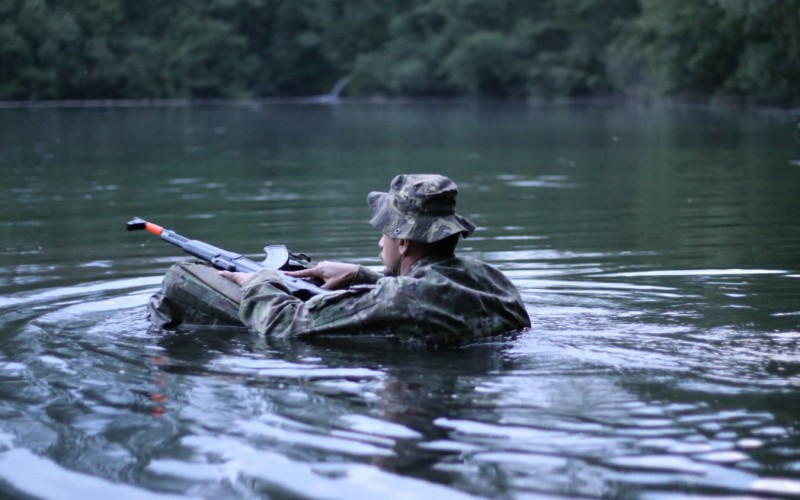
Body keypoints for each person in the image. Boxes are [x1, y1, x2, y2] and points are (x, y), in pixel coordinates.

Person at [219, 174, 530, 348]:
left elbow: (282, 326)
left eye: (386, 233)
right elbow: (430, 295)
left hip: (420, 380)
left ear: (404, 243)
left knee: (184, 279)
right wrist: (362, 276)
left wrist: (259, 282)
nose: (381, 242)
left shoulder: (396, 298)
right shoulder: (492, 278)